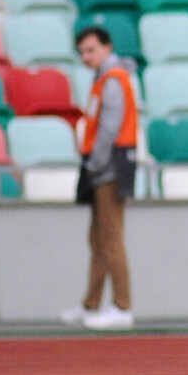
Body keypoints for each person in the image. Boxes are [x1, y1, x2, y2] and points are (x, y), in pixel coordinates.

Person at [60, 26, 138, 331]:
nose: (86, 57)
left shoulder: (113, 80)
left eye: (91, 50)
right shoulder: (105, 79)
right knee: (98, 238)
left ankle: (122, 305)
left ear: (107, 47)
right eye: (82, 52)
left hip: (108, 169)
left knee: (111, 238)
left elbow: (109, 128)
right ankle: (91, 303)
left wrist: (95, 164)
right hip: (102, 167)